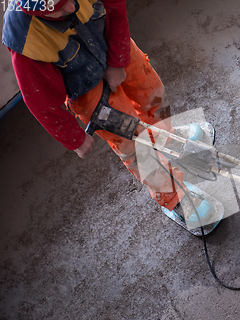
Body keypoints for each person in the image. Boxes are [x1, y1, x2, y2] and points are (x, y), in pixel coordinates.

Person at [2, 0, 214, 225]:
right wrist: (73, 138)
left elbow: (116, 9)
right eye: (60, 10)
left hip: (116, 47)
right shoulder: (23, 37)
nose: (71, 9)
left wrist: (117, 61)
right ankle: (175, 198)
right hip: (84, 89)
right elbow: (40, 98)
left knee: (152, 94)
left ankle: (168, 141)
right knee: (133, 144)